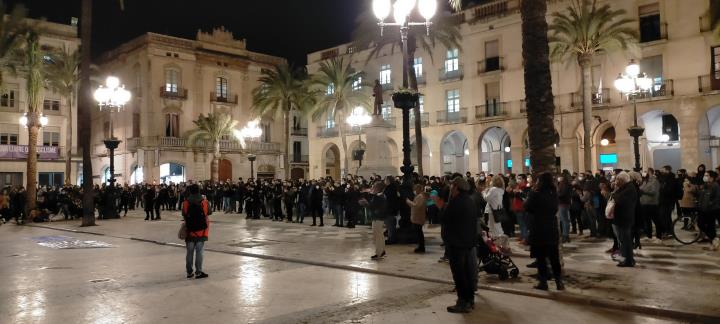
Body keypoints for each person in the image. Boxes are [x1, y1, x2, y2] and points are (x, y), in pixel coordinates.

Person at [442, 177, 478, 313]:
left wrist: (445, 205)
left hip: (457, 243)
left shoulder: (455, 202)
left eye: (452, 186)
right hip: (468, 242)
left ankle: (462, 301)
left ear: (456, 187)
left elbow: (445, 218)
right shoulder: (470, 201)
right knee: (467, 272)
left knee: (459, 274)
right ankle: (470, 299)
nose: (450, 188)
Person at [524, 172, 564, 291]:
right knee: (554, 257)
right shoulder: (554, 194)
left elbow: (527, 207)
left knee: (541, 257)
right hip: (551, 228)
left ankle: (543, 282)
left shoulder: (535, 194)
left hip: (539, 228)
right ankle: (559, 282)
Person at [181, 184, 210, 279]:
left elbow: (184, 214)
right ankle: (198, 272)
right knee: (199, 252)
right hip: (202, 231)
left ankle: (189, 272)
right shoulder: (204, 201)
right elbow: (209, 212)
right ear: (199, 190)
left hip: (190, 230)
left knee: (189, 252)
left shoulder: (186, 202)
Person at [611, 172, 638, 267]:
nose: (616, 181)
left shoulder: (629, 188)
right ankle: (627, 259)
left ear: (622, 180)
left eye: (618, 179)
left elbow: (619, 200)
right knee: (623, 240)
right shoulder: (624, 187)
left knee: (626, 240)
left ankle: (629, 261)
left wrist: (614, 195)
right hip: (621, 217)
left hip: (625, 218)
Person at [360, 181, 387, 260]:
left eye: (374, 186)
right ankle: (381, 251)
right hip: (379, 217)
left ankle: (379, 253)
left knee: (377, 236)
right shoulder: (380, 196)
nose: (372, 188)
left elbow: (373, 207)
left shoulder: (379, 197)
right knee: (380, 235)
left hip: (377, 218)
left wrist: (365, 204)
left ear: (378, 188)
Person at [698, 171, 720, 250]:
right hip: (703, 208)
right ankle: (714, 239)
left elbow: (717, 197)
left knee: (710, 226)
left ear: (711, 177)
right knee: (700, 224)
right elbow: (701, 195)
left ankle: (713, 242)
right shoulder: (705, 185)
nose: (705, 176)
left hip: (712, 209)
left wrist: (710, 203)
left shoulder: (715, 185)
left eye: (707, 175)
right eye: (705, 175)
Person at [406, 184, 427, 253]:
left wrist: (408, 201)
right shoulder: (418, 196)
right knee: (419, 233)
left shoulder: (420, 196)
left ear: (419, 189)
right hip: (417, 217)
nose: (414, 190)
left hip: (418, 217)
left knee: (419, 233)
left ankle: (421, 247)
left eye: (415, 189)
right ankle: (420, 246)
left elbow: (416, 205)